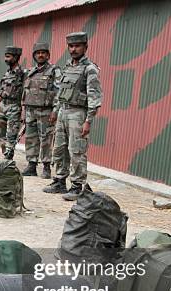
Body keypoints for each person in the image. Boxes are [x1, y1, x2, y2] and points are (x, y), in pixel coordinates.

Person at [44, 32, 102, 200]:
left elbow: (94, 96)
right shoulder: (68, 67)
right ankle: (60, 181)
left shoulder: (90, 69)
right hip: (63, 111)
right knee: (59, 148)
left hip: (78, 113)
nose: (74, 49)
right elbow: (61, 91)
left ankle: (77, 186)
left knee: (76, 150)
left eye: (77, 46)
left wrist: (88, 120)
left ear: (85, 47)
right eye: (71, 46)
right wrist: (55, 110)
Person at [22, 42, 61, 179]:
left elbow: (59, 92)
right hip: (30, 110)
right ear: (34, 55)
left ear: (48, 55)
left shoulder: (54, 71)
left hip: (46, 111)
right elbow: (26, 92)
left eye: (43, 53)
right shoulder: (30, 72)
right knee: (31, 138)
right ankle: (31, 165)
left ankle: (46, 167)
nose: (40, 55)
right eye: (38, 53)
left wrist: (55, 111)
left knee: (46, 139)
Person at [0, 46, 24, 160]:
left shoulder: (22, 73)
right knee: (0, 132)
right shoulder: (7, 73)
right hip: (2, 105)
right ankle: (4, 153)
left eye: (8, 57)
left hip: (14, 106)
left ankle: (9, 156)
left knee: (11, 134)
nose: (6, 59)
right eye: (5, 56)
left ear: (16, 57)